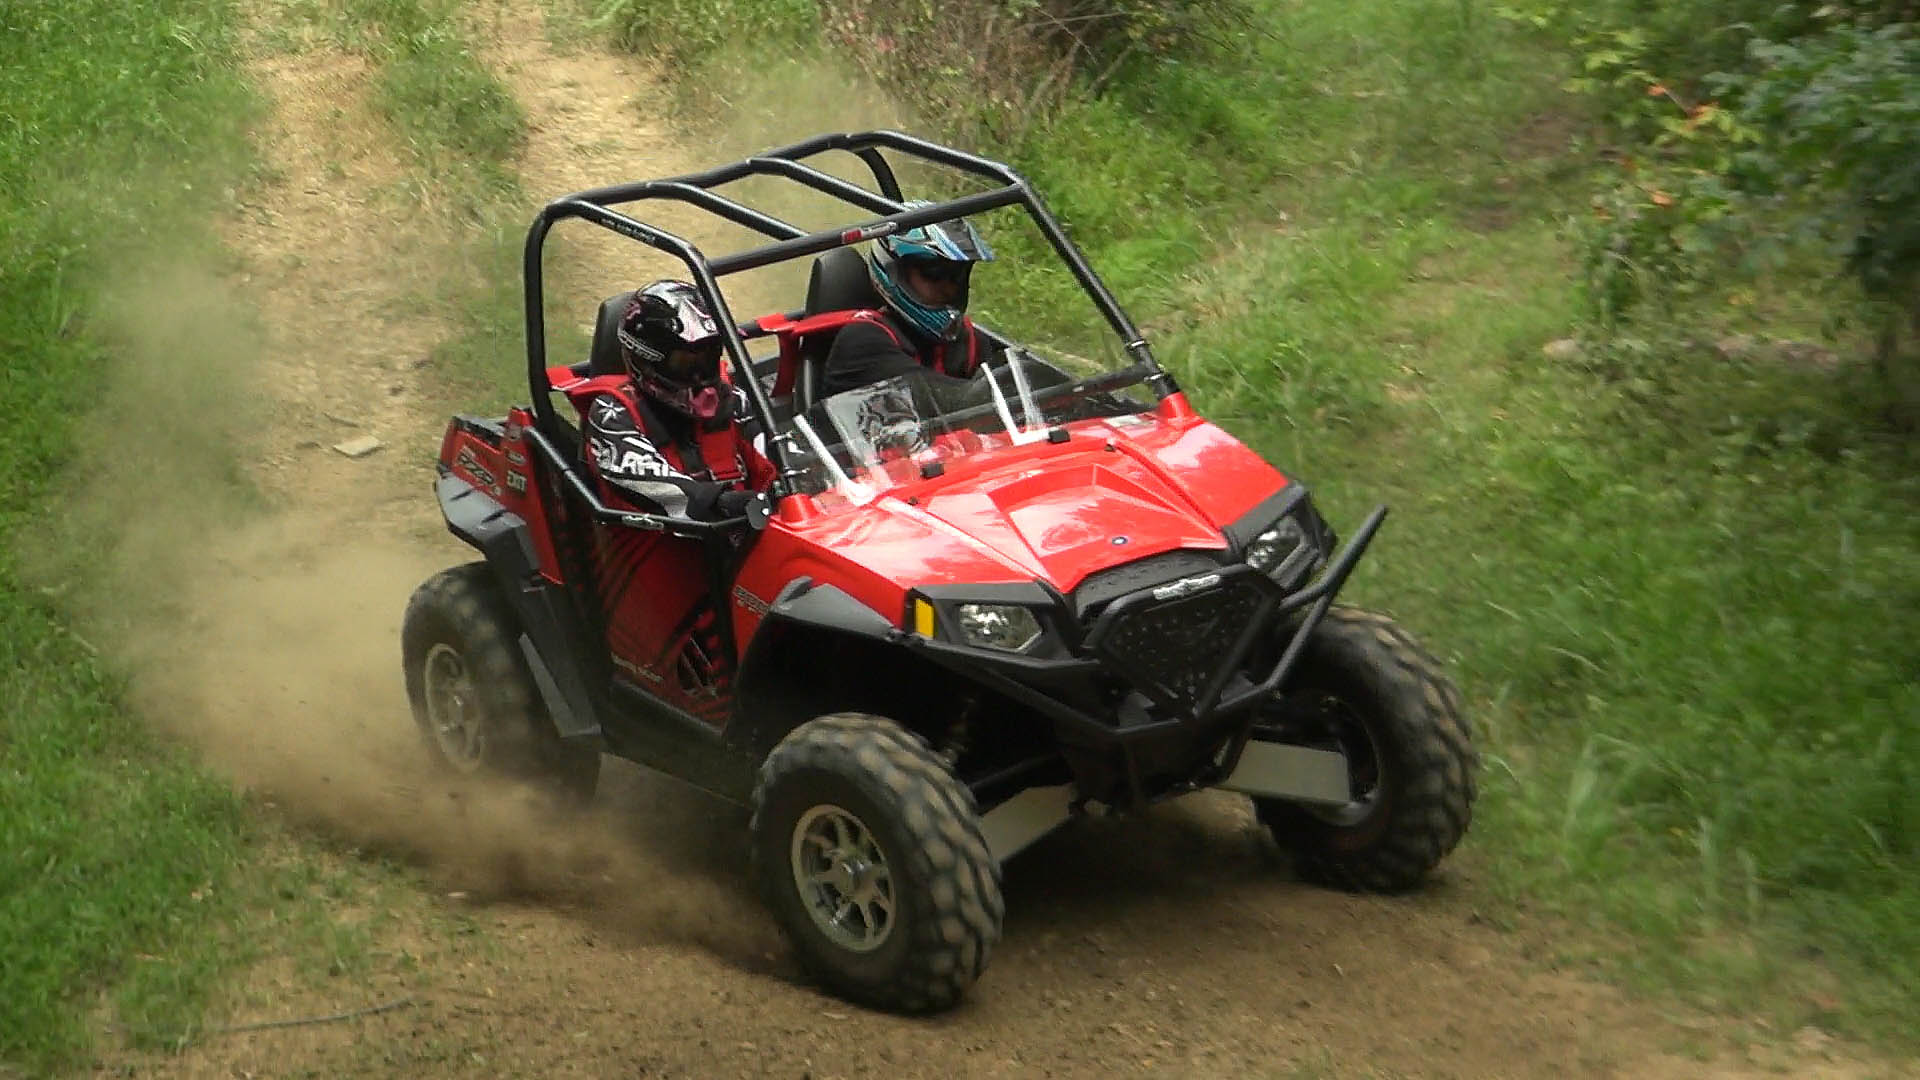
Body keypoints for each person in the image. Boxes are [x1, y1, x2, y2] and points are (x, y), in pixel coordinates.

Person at [583, 280, 772, 521]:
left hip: (750, 542)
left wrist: (801, 481)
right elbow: (657, 490)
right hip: (663, 550)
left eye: (708, 358)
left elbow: (773, 450)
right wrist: (722, 503)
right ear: (645, 360)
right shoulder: (612, 414)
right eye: (686, 363)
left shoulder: (731, 398)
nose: (700, 376)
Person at [821, 202, 1003, 398]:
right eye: (934, 274)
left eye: (956, 276)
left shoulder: (968, 342)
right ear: (893, 272)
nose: (949, 288)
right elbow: (931, 396)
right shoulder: (862, 340)